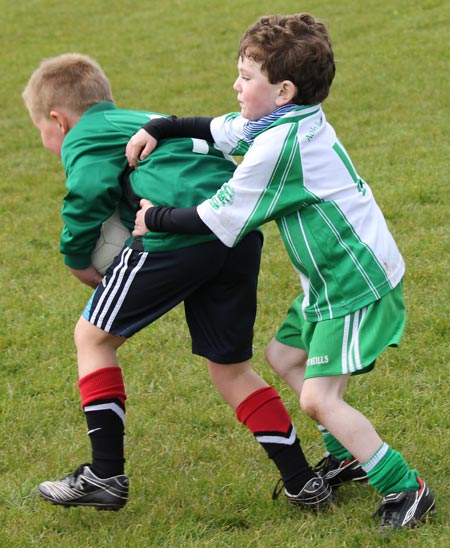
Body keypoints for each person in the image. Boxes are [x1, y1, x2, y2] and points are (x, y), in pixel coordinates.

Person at [125, 13, 436, 529]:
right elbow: (216, 128)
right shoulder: (280, 121)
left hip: (356, 280)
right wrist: (160, 127)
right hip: (329, 279)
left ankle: (406, 487)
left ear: (284, 90)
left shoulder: (278, 146)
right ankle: (346, 456)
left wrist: (151, 217)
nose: (236, 85)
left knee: (317, 398)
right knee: (283, 356)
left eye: (247, 77)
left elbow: (219, 218)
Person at [22, 53, 333, 511]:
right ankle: (302, 480)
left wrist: (76, 259)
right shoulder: (143, 119)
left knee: (92, 337)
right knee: (229, 368)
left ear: (58, 120)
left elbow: (87, 192)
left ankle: (105, 474)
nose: (51, 143)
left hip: (173, 233)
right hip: (234, 231)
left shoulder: (84, 133)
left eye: (44, 135)